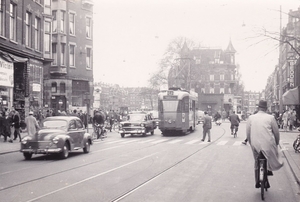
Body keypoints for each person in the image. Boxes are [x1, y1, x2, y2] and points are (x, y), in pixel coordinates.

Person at [246, 100, 284, 189]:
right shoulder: (271, 118)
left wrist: (250, 142)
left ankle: (256, 181)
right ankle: (269, 169)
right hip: (268, 144)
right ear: (266, 108)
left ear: (258, 108)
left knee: (256, 161)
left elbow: (248, 132)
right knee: (270, 156)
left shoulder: (251, 118)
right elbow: (276, 133)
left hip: (255, 144)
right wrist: (277, 143)